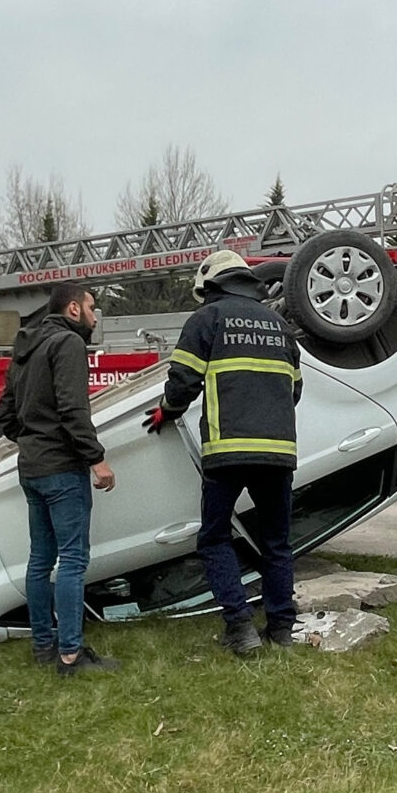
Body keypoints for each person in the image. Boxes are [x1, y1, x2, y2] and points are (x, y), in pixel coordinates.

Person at [147, 250, 302, 657]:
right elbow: (295, 390)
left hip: (227, 449)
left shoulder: (207, 319)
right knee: (276, 541)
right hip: (278, 450)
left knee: (215, 538)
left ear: (211, 285)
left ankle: (240, 627)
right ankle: (282, 627)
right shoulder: (280, 326)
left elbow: (182, 381)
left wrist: (168, 411)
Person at [0, 284, 120, 676]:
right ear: (74, 308)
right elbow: (73, 407)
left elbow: (4, 418)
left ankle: (43, 645)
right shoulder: (67, 344)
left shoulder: (25, 348)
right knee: (73, 560)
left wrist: (33, 442)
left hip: (31, 469)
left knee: (40, 559)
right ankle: (70, 656)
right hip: (63, 469)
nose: (96, 318)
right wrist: (96, 459)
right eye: (93, 309)